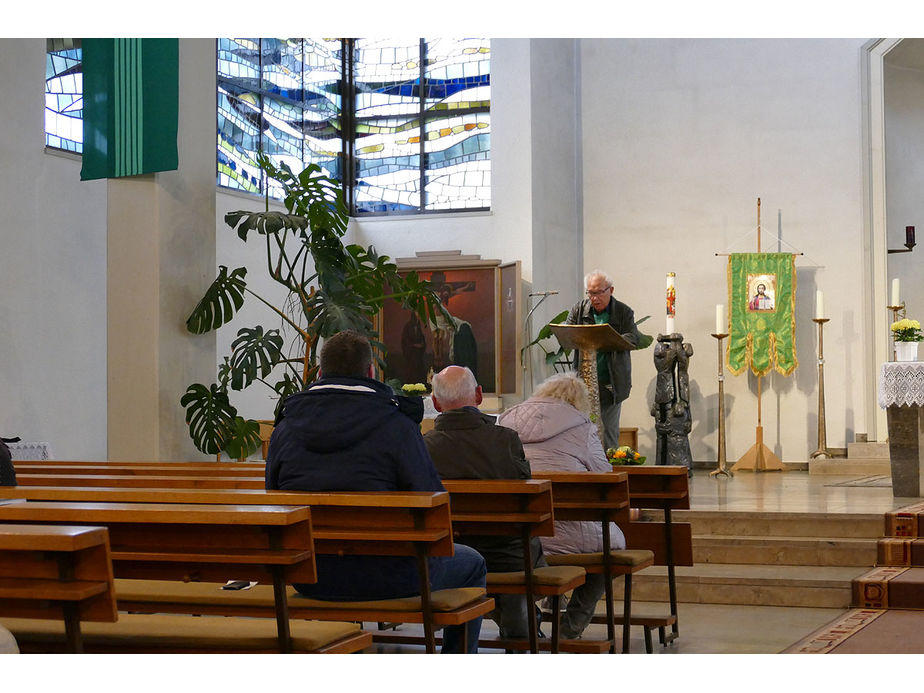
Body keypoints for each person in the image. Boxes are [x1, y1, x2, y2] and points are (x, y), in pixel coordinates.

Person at [265, 330, 486, 653]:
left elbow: (273, 499)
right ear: (370, 372)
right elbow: (434, 505)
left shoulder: (284, 429)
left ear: (321, 373)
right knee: (473, 563)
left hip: (309, 575)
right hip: (393, 575)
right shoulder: (396, 425)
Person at [496, 373, 627, 639]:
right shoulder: (583, 427)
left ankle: (523, 623)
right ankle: (571, 625)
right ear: (578, 402)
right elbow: (605, 479)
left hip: (519, 535)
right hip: (572, 533)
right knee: (611, 552)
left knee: (497, 558)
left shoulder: (503, 421)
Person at [423, 365, 545, 646]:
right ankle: (517, 616)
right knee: (524, 541)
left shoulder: (425, 447)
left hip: (451, 553)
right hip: (510, 555)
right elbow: (525, 498)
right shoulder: (506, 440)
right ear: (478, 395)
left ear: (435, 403)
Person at [566, 269, 641, 450]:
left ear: (611, 290)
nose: (594, 297)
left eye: (599, 292)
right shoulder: (579, 309)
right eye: (591, 293)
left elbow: (634, 338)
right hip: (583, 382)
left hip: (611, 383)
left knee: (608, 431)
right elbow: (567, 331)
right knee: (581, 429)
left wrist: (610, 339)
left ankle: (610, 473)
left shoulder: (623, 312)